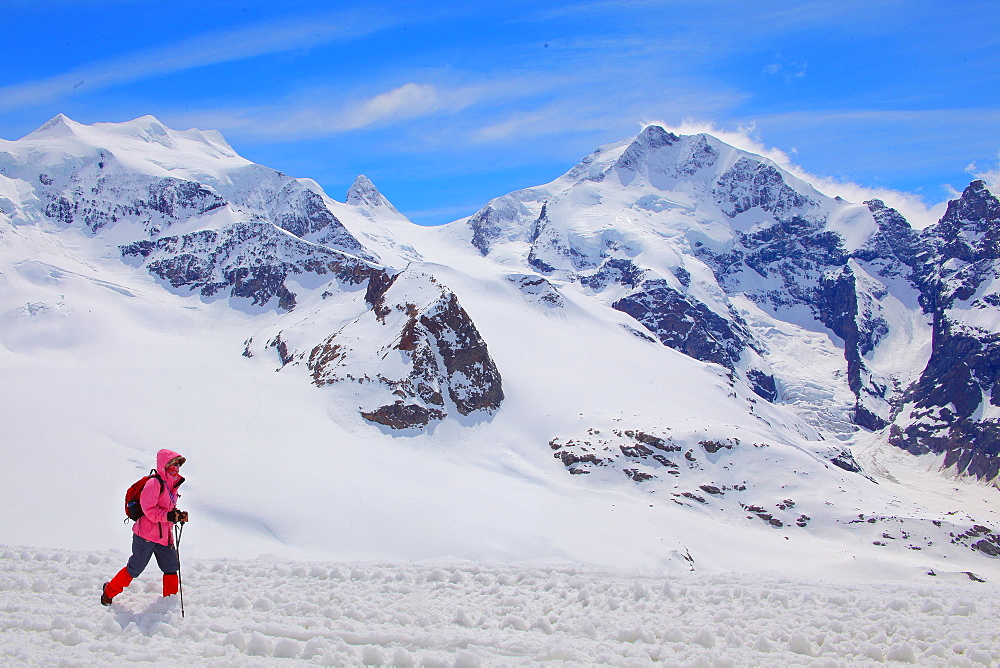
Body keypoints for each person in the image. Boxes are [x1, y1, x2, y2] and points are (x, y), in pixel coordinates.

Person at [101, 449, 189, 606]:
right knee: (135, 568)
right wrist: (168, 516)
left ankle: (169, 602)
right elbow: (148, 510)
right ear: (164, 464)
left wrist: (177, 515)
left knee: (171, 567)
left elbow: (165, 509)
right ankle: (109, 591)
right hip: (145, 536)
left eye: (178, 464)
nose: (176, 467)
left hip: (164, 536)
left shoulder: (172, 485)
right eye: (173, 464)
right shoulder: (154, 483)